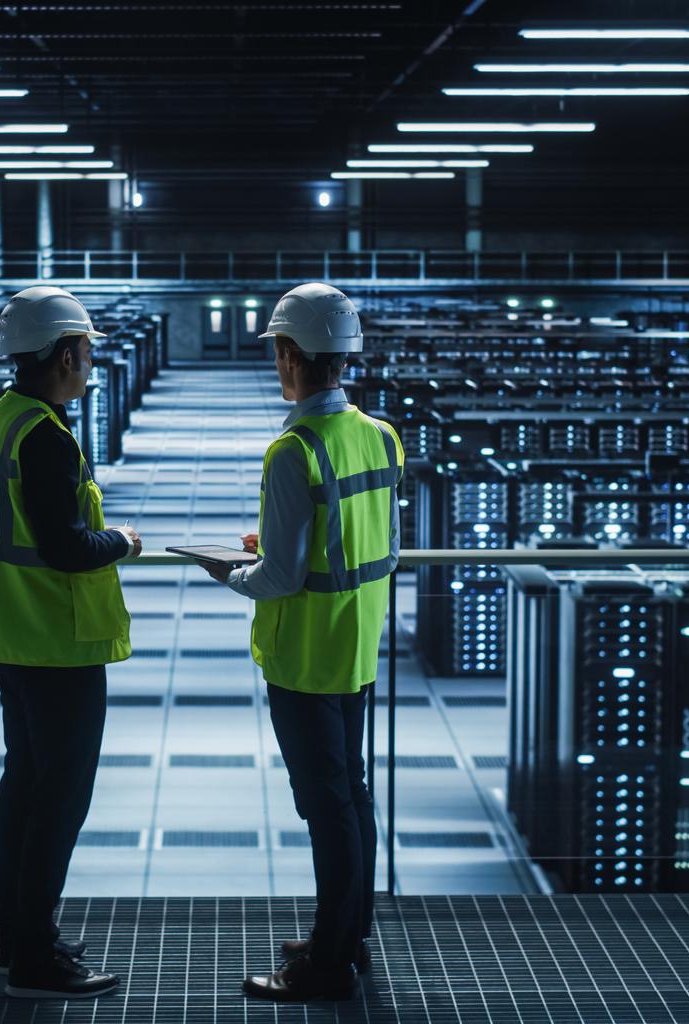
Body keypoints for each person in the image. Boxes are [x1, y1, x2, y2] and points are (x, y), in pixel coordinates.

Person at [201, 282, 403, 1002]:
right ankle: (344, 936)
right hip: (358, 644)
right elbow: (372, 544)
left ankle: (326, 969)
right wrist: (284, 550)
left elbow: (280, 579)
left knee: (326, 809)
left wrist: (231, 569)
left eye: (277, 352)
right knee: (352, 796)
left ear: (288, 356)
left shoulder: (292, 449)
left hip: (305, 654)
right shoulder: (379, 434)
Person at [0, 285, 141, 1000]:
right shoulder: (44, 435)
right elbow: (67, 548)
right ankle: (36, 955)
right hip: (55, 642)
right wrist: (121, 541)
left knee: (23, 790)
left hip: (8, 635)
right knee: (59, 800)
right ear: (67, 353)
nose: (92, 361)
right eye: (88, 350)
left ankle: (18, 938)